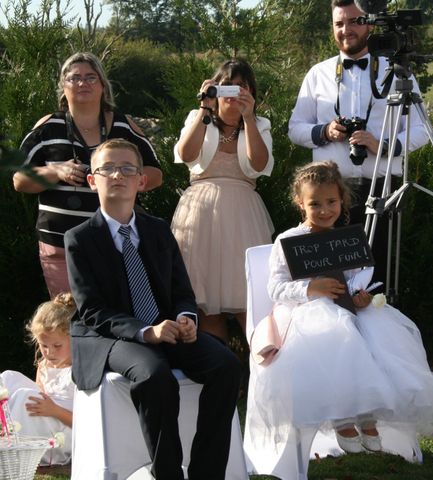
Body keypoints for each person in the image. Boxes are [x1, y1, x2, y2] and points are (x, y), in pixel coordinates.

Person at [244, 161, 433, 478]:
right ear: (300, 202)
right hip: (306, 313)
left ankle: (368, 414)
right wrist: (310, 287)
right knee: (336, 331)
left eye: (331, 202)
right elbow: (276, 287)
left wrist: (359, 294)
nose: (324, 209)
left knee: (376, 331)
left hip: (349, 308)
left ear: (342, 201)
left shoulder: (346, 239)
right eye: (314, 203)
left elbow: (360, 275)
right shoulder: (289, 240)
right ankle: (344, 418)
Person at [64, 139, 241, 480]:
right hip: (112, 338)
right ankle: (168, 473)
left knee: (226, 365)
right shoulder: (80, 238)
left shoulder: (158, 230)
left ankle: (206, 472)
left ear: (141, 180)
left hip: (167, 329)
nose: (118, 174)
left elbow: (182, 291)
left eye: (128, 168)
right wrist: (146, 332)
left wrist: (186, 319)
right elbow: (93, 311)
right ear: (92, 180)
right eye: (108, 168)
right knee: (154, 374)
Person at [288, 0, 429, 286]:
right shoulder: (318, 74)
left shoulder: (397, 71)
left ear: (369, 24)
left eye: (353, 22)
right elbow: (294, 129)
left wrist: (383, 146)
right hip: (330, 197)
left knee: (379, 283)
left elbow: (422, 129)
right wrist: (325, 131)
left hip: (382, 189)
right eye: (339, 23)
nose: (346, 30)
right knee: (334, 283)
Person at [14, 52, 162, 299]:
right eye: (75, 78)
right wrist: (55, 171)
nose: (83, 83)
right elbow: (20, 180)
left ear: (103, 85)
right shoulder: (48, 126)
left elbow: (155, 175)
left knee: (116, 316)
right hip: (59, 245)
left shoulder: (124, 126)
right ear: (64, 86)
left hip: (116, 242)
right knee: (67, 321)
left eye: (91, 77)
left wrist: (120, 175)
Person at [172, 58, 274, 342]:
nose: (234, 93)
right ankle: (221, 376)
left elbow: (258, 164)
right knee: (206, 309)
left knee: (252, 305)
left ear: (252, 92)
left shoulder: (260, 124)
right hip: (199, 217)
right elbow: (186, 155)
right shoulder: (198, 117)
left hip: (243, 219)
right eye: (227, 86)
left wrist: (249, 118)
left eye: (242, 87)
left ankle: (261, 378)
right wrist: (205, 109)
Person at [0, 292, 76, 465]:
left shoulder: (81, 370)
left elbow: (88, 421)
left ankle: (10, 448)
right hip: (40, 422)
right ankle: (6, 435)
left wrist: (55, 411)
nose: (49, 352)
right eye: (43, 346)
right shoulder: (44, 366)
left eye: (57, 346)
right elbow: (37, 397)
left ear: (74, 340)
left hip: (62, 433)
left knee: (24, 396)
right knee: (7, 377)